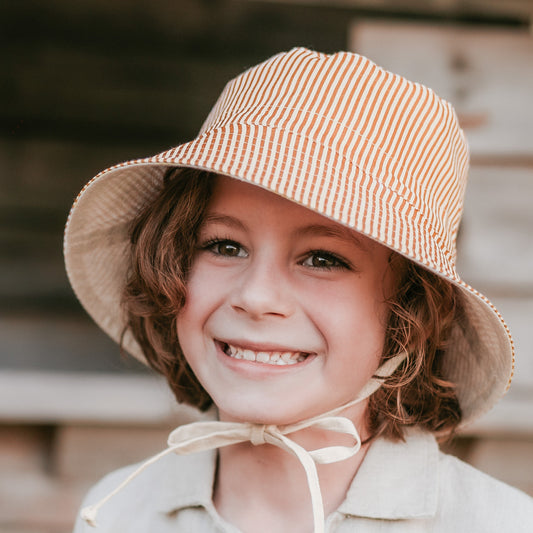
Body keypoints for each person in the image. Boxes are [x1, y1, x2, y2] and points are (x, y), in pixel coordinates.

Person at [65, 48, 533, 532]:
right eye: (224, 246)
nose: (257, 296)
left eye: (322, 259)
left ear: (408, 310)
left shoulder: (497, 524)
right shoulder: (116, 512)